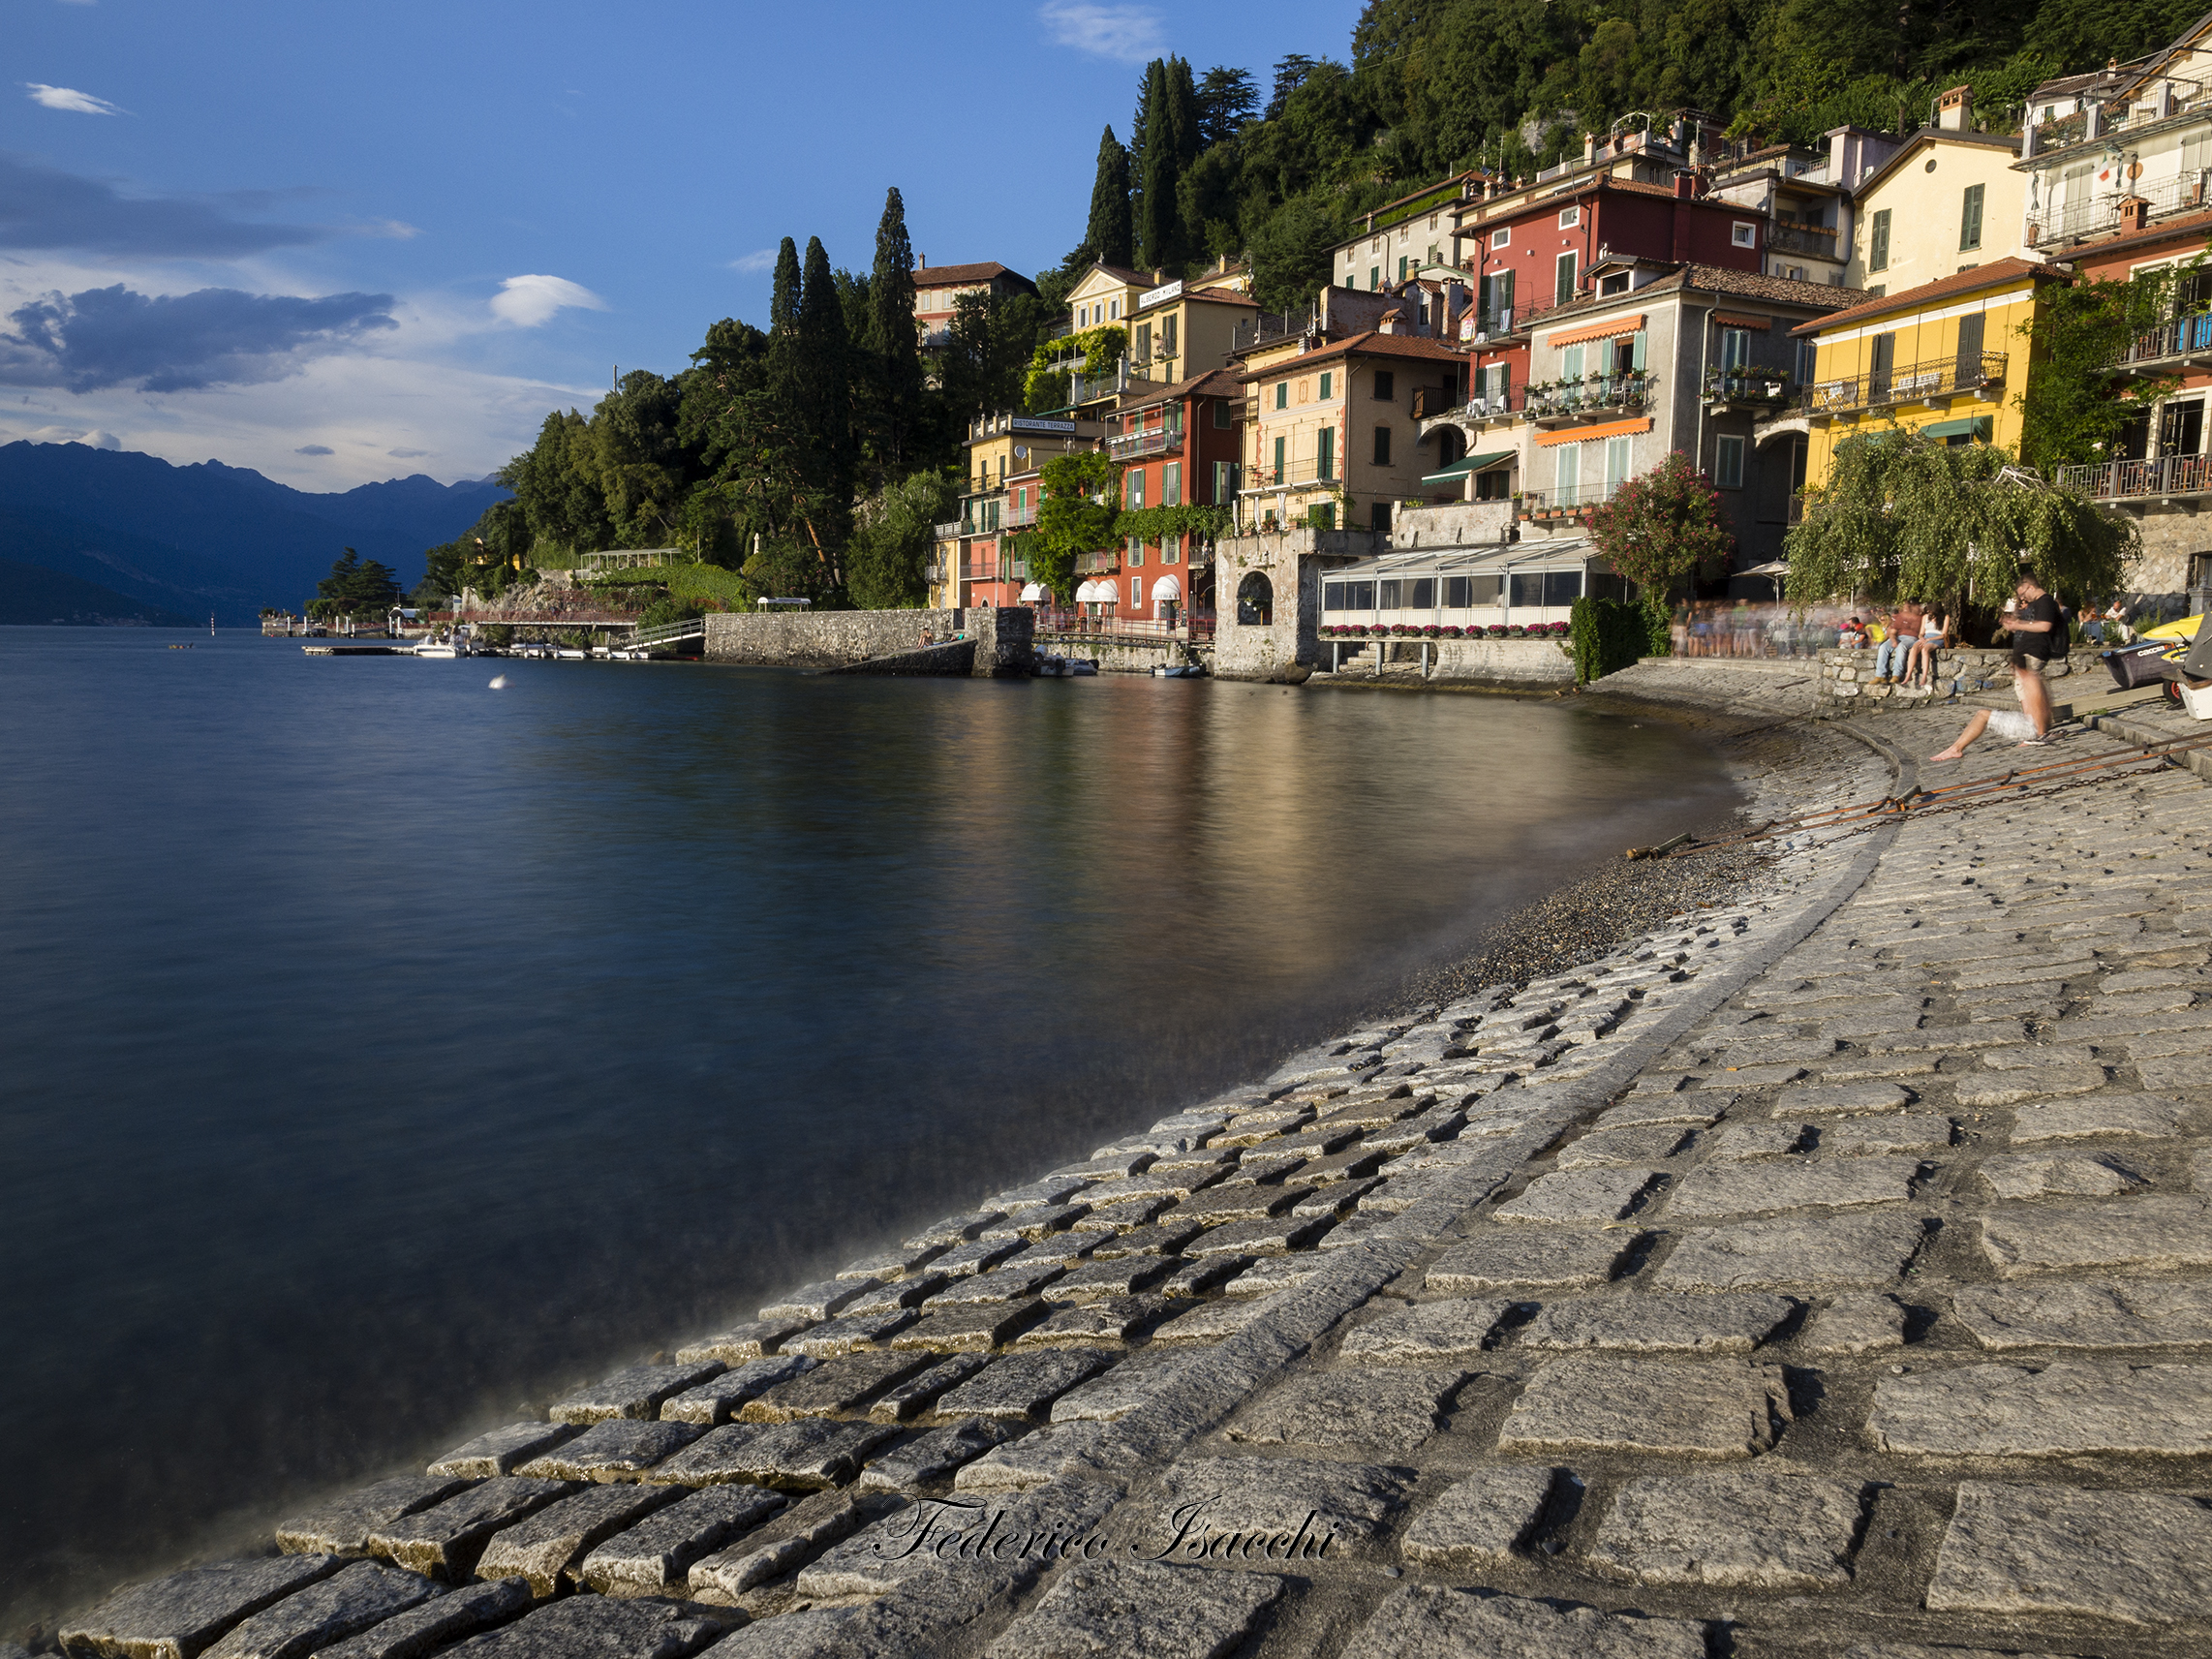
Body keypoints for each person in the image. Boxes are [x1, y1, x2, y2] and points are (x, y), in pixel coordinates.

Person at [1933, 571, 2059, 757]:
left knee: (1983, 714)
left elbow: (2045, 626)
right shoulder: (2034, 681)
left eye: (2023, 594)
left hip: (2030, 729)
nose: (2022, 598)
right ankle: (1954, 749)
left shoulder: (2031, 678)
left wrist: (2038, 733)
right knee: (2020, 694)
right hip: (2032, 726)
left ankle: (1955, 749)